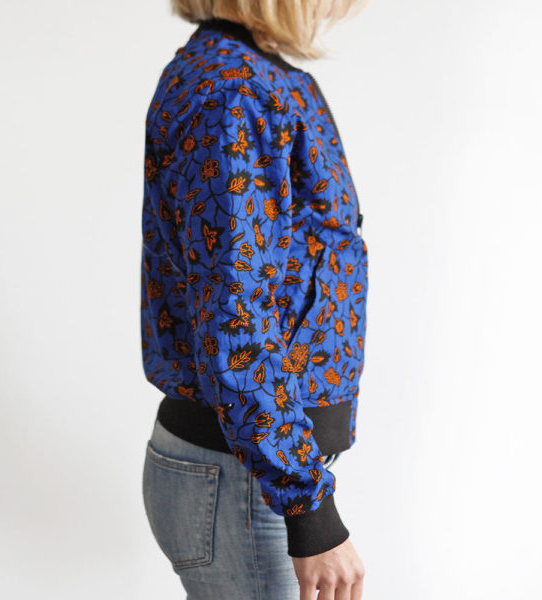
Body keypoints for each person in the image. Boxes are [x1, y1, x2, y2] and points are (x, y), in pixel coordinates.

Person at [140, 2, 369, 598]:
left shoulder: (257, 78)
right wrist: (308, 510)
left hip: (257, 467)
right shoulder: (235, 93)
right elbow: (235, 316)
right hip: (248, 476)